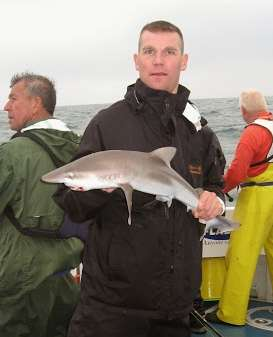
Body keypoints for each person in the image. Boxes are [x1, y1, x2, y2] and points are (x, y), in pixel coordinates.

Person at [54, 20, 226, 337]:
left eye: (169, 52)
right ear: (137, 60)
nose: (158, 60)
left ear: (183, 61)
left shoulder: (199, 131)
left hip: (176, 305)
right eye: (149, 51)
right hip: (111, 305)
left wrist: (213, 200)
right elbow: (72, 206)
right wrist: (102, 187)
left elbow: (216, 185)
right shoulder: (107, 123)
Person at [0, 72, 84, 337]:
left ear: (36, 103)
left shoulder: (12, 153)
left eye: (13, 98)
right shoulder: (82, 148)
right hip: (65, 277)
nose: (6, 106)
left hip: (18, 286)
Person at [206, 89, 273, 326]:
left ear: (244, 111)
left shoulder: (253, 132)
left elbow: (238, 171)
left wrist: (218, 190)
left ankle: (231, 313)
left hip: (257, 197)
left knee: (240, 256)